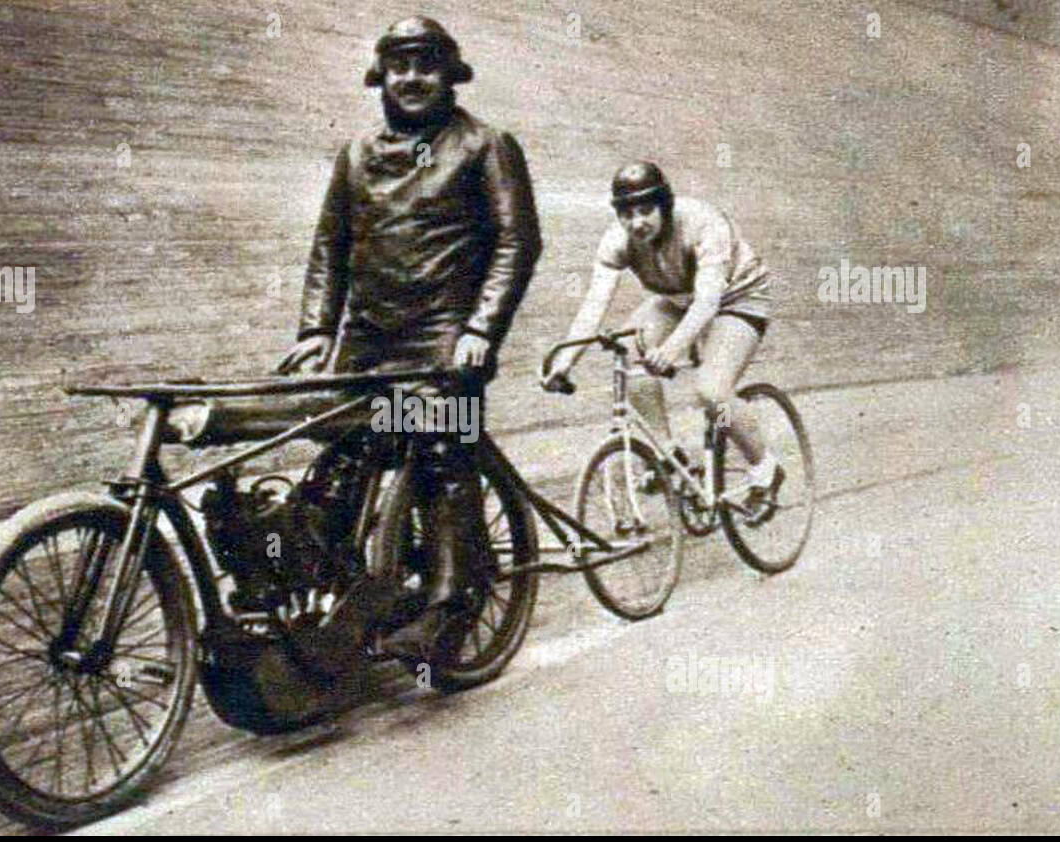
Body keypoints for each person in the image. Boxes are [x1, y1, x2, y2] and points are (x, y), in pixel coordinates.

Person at [279, 16, 542, 660]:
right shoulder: (356, 155)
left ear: (449, 73)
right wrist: (316, 332)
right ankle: (334, 599)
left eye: (426, 65)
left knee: (442, 453)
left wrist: (482, 328)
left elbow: (518, 241)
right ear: (382, 76)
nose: (413, 78)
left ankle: (452, 604)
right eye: (400, 66)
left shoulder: (486, 146)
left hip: (444, 341)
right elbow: (329, 248)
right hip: (366, 341)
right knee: (338, 458)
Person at [542, 161, 782, 498]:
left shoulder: (702, 222)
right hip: (676, 298)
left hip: (737, 297)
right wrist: (565, 361)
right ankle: (669, 455)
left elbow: (707, 303)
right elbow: (593, 307)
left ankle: (765, 467)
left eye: (645, 211)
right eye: (627, 214)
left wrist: (671, 350)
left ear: (664, 206)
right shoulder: (617, 241)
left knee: (712, 391)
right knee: (630, 357)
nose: (636, 223)